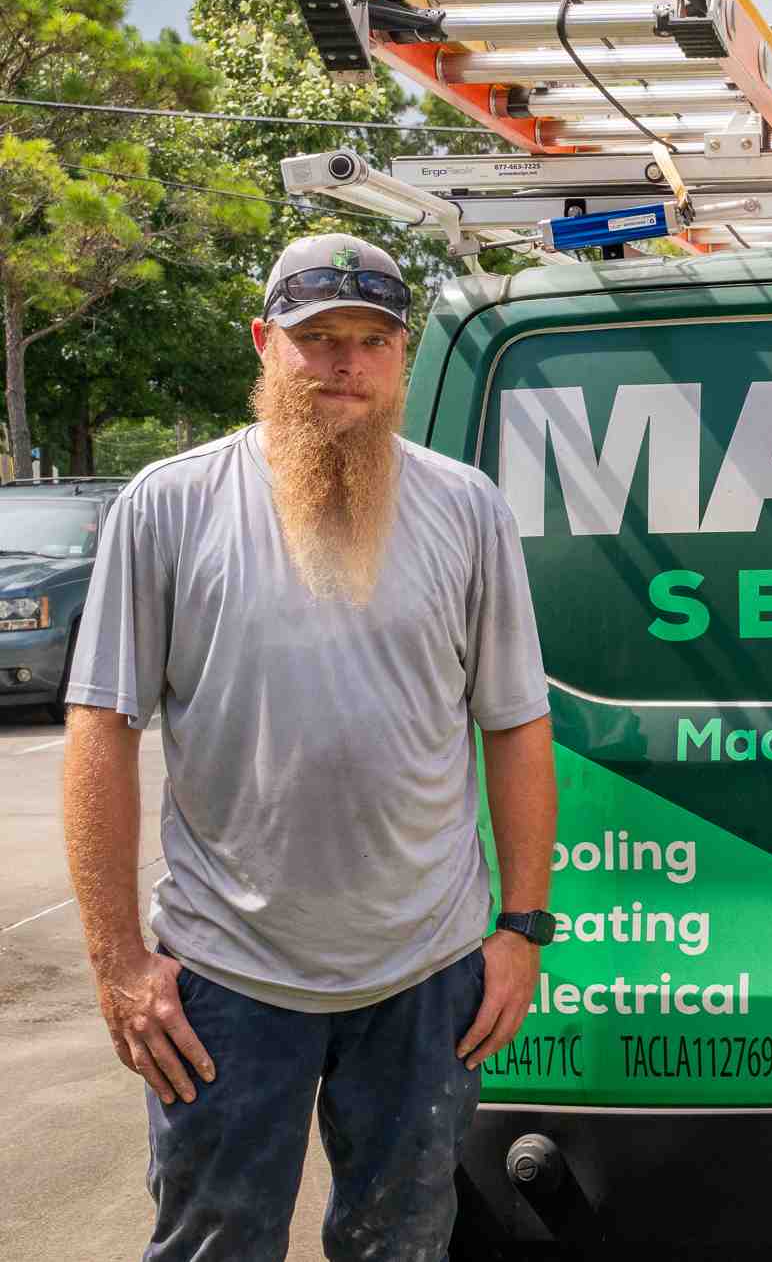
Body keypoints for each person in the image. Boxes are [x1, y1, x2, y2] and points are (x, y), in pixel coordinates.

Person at [59, 233, 559, 1261]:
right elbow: (101, 730)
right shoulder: (170, 504)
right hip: (225, 982)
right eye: (317, 338)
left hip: (426, 981)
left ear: (400, 355)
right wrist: (117, 961)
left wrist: (520, 929)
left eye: (371, 340)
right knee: (217, 1242)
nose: (345, 364)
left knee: (403, 1241)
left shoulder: (466, 510)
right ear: (263, 344)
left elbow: (514, 722)